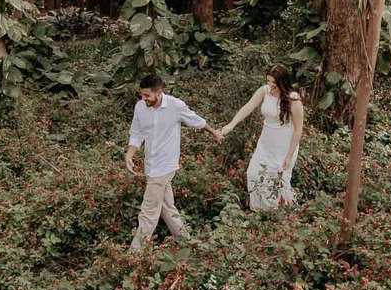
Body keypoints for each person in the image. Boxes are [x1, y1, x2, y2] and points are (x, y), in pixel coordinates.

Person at [125, 73, 223, 251]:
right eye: (141, 94)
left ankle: (134, 254)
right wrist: (129, 155)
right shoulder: (140, 107)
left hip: (165, 165)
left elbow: (196, 120)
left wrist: (214, 132)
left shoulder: (175, 106)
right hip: (150, 165)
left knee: (148, 212)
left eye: (147, 95)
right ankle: (187, 242)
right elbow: (137, 133)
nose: (143, 98)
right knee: (167, 207)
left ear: (158, 92)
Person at [221, 64, 304, 211]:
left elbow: (298, 130)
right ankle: (260, 211)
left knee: (278, 179)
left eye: (274, 82)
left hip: (284, 145)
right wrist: (231, 124)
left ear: (282, 82)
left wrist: (289, 155)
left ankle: (281, 213)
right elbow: (247, 108)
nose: (270, 85)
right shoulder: (264, 91)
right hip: (266, 141)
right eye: (268, 81)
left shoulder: (293, 99)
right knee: (253, 174)